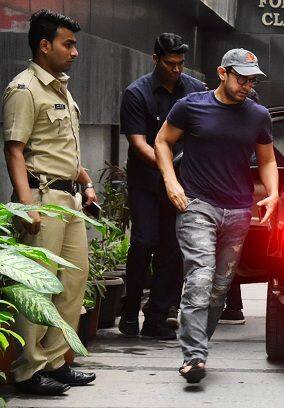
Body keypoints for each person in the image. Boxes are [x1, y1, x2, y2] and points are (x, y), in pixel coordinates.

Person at [154, 49, 278, 383]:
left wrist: (273, 193)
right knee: (199, 277)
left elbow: (266, 160)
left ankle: (197, 348)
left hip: (238, 211)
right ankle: (194, 356)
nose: (247, 86)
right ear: (222, 73)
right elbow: (163, 141)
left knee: (219, 289)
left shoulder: (258, 115)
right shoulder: (191, 106)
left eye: (252, 80)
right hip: (197, 204)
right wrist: (171, 182)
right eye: (241, 78)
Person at [2, 9, 96, 395]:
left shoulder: (59, 88)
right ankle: (27, 370)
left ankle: (56, 360)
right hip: (41, 198)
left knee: (72, 282)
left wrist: (86, 181)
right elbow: (14, 150)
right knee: (38, 287)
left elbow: (64, 149)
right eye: (67, 44)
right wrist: (26, 205)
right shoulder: (24, 89)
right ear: (44, 45)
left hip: (69, 200)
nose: (74, 52)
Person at [118, 33, 206, 340]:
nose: (177, 70)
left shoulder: (194, 90)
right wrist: (167, 166)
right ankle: (129, 309)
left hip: (182, 183)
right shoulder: (136, 93)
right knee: (144, 240)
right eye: (170, 63)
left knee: (173, 247)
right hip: (146, 180)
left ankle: (156, 315)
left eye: (181, 63)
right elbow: (139, 144)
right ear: (155, 59)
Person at [218, 88, 262, 326]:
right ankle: (233, 305)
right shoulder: (256, 134)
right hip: (243, 205)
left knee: (225, 252)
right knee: (229, 252)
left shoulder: (240, 135)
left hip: (235, 203)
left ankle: (230, 305)